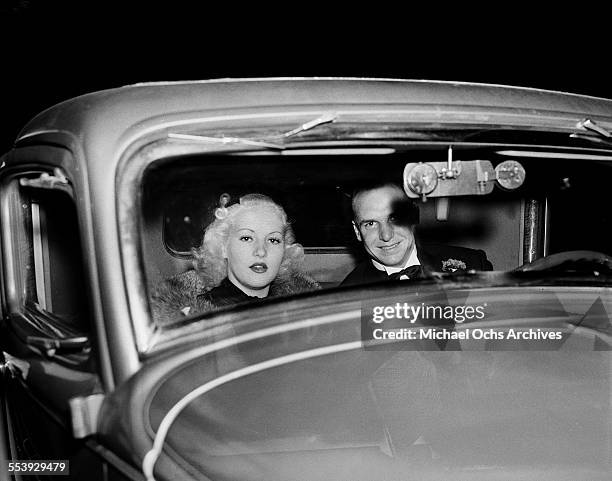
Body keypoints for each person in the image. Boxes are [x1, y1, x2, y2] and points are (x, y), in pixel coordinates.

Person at [152, 193, 319, 323]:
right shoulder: (194, 320)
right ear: (224, 247)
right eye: (247, 238)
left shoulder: (309, 313)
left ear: (284, 250)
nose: (261, 251)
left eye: (273, 240)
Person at [341, 182, 492, 286]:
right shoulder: (344, 298)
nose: (386, 236)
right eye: (371, 224)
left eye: (394, 218)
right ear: (357, 232)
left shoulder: (474, 265)